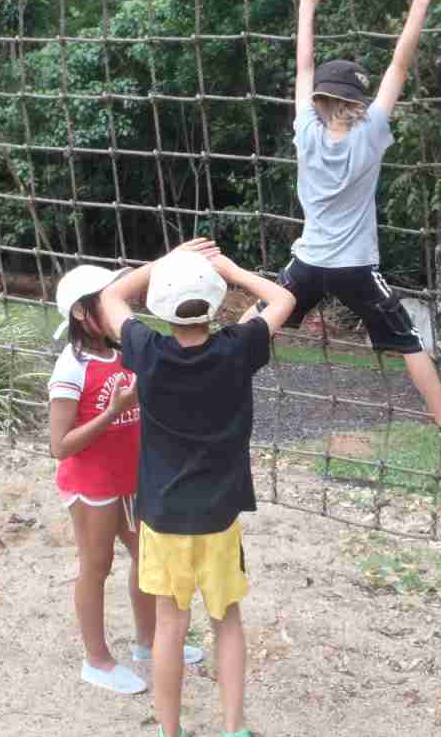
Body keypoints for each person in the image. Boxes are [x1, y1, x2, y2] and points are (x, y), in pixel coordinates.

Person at [259, 0, 441, 458]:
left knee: (261, 323)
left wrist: (307, 2)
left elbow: (303, 68)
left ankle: (201, 381)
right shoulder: (370, 135)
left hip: (308, 263)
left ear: (319, 100)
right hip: (356, 268)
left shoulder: (305, 131)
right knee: (408, 342)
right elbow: (399, 67)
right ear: (358, 105)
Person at [99, 239, 297, 737]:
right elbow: (284, 300)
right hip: (219, 515)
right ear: (216, 301)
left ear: (161, 306)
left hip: (163, 516)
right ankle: (233, 730)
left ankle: (171, 732)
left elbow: (110, 299)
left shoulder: (147, 351)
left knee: (170, 624)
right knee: (226, 619)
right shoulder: (238, 347)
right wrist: (231, 269)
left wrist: (158, 263)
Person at [48, 263, 204, 695]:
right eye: (108, 298)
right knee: (96, 567)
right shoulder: (71, 367)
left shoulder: (123, 350)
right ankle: (96, 660)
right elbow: (59, 445)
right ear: (82, 313)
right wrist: (112, 413)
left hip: (134, 477)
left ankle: (147, 641)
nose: (121, 303)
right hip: (92, 482)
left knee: (148, 559)